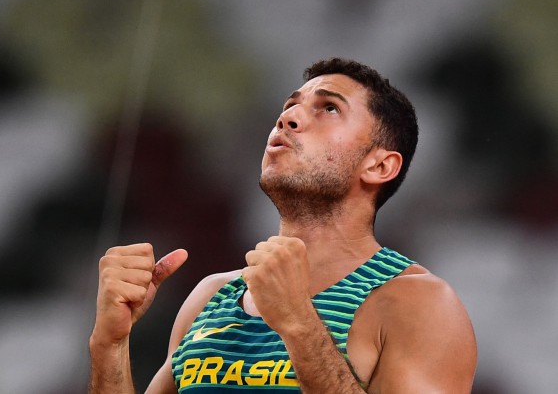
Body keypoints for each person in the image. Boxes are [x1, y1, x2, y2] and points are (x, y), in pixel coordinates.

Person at [89, 57, 477, 393]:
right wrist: (110, 345)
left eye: (329, 109)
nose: (287, 118)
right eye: (291, 105)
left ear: (379, 165)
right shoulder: (212, 297)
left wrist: (299, 324)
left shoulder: (418, 303)